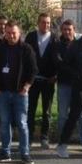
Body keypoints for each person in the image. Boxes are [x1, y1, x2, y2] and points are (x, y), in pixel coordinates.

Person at [0, 20, 37, 164]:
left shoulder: (26, 49)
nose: (11, 36)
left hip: (20, 93)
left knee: (22, 123)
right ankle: (5, 152)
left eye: (14, 33)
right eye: (8, 33)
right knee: (4, 123)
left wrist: (27, 87)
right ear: (5, 33)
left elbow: (33, 70)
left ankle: (25, 153)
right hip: (3, 93)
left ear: (19, 33)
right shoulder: (0, 49)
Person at [55, 19, 82, 159]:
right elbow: (65, 64)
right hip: (80, 88)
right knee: (73, 117)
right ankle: (62, 145)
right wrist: (77, 75)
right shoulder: (75, 46)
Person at [25, 12, 59, 149]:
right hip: (33, 81)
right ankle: (29, 137)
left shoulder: (55, 38)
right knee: (30, 110)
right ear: (38, 23)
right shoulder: (31, 37)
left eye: (48, 23)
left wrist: (56, 75)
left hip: (48, 81)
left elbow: (58, 59)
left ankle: (44, 138)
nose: (46, 25)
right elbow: (25, 57)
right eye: (43, 22)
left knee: (47, 111)